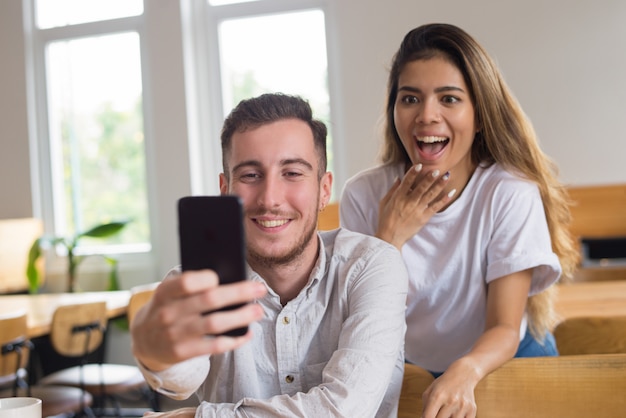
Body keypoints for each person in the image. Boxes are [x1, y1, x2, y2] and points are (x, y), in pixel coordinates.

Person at [339, 23, 580, 418]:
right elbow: (358, 322)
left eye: (448, 99)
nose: (426, 116)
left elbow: (504, 327)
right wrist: (387, 240)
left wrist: (465, 370)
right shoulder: (364, 196)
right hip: (412, 368)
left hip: (505, 357)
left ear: (480, 115)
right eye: (410, 98)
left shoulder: (509, 192)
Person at [131, 93, 409, 417]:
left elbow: (342, 411)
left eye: (292, 173)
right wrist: (158, 356)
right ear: (225, 190)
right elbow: (179, 381)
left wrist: (198, 417)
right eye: (250, 175)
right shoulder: (196, 286)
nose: (270, 198)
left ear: (323, 189)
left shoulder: (372, 266)